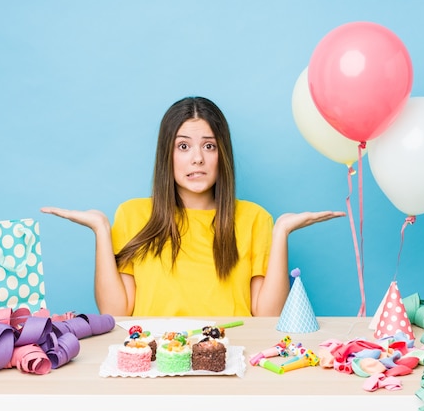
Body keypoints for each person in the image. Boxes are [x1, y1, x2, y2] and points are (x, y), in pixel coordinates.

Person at [41, 96, 345, 317]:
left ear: (221, 155)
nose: (197, 158)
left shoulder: (254, 219)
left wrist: (281, 233)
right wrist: (101, 230)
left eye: (209, 146)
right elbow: (116, 311)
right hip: (155, 365)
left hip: (230, 363)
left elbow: (266, 317)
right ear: (167, 155)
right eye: (183, 146)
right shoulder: (133, 215)